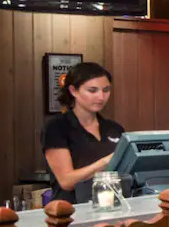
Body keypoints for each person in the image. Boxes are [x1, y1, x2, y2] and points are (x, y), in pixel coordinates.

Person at [43, 62, 125, 203]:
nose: (101, 97)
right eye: (92, 91)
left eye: (106, 90)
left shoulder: (115, 129)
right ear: (73, 91)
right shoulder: (57, 127)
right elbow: (66, 181)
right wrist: (106, 161)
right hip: (71, 210)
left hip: (112, 206)